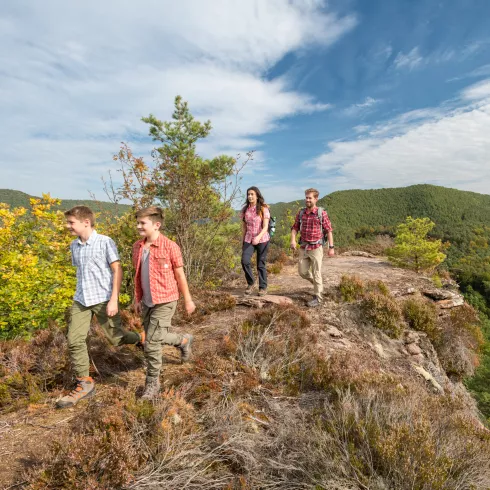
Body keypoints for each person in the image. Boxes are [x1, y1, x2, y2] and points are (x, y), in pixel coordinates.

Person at [57, 206, 144, 408]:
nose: (68, 226)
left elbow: (117, 270)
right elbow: (82, 273)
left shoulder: (105, 242)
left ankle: (140, 338)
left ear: (85, 222)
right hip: (81, 299)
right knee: (74, 339)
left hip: (104, 298)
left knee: (116, 338)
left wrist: (114, 299)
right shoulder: (74, 246)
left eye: (71, 222)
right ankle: (84, 382)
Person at [132, 206, 196, 400]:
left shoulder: (170, 246)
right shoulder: (137, 247)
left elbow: (179, 275)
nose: (138, 226)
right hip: (147, 301)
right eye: (138, 223)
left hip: (166, 299)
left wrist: (188, 299)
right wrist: (136, 298)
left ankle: (152, 384)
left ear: (156, 225)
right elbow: (136, 275)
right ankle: (183, 341)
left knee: (151, 342)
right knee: (157, 336)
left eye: (142, 223)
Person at [290, 188, 334, 308]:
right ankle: (317, 285)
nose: (307, 200)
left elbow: (329, 230)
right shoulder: (301, 213)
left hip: (316, 247)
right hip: (304, 247)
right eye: (306, 197)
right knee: (302, 272)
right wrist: (293, 240)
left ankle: (318, 298)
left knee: (317, 273)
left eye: (310, 198)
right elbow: (294, 228)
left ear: (316, 199)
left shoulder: (321, 213)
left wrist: (331, 247)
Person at [240, 186, 270, 296]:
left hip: (262, 239)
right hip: (248, 238)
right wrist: (243, 241)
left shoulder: (263, 209)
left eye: (252, 194)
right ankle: (251, 283)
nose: (250, 196)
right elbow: (244, 227)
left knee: (260, 264)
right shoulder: (245, 210)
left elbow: (266, 227)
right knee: (245, 261)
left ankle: (263, 287)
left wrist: (258, 237)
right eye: (248, 194)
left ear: (257, 196)